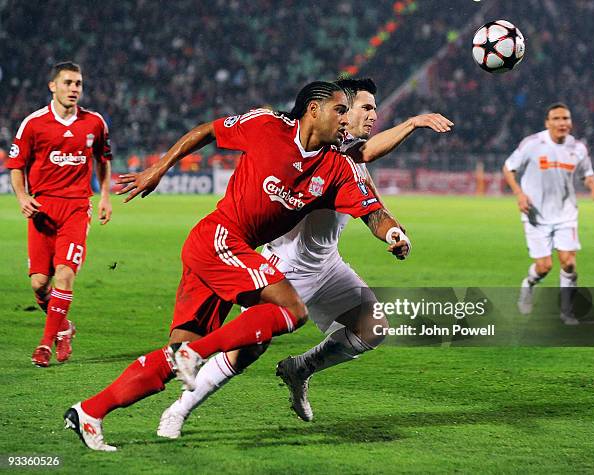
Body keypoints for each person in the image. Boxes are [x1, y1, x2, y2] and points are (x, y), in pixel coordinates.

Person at [64, 81, 411, 451]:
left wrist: (392, 234)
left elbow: (372, 211)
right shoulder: (267, 125)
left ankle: (90, 412)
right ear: (314, 109)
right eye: (341, 111)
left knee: (171, 357)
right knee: (291, 311)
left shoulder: (336, 166)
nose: (346, 120)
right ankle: (193, 357)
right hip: (220, 239)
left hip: (230, 250)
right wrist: (158, 168)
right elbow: (207, 131)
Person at [156, 77, 453, 437]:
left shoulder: (348, 157)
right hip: (286, 268)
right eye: (362, 108)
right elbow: (368, 152)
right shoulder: (334, 149)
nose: (371, 115)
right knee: (246, 352)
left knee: (373, 327)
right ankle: (178, 409)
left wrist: (392, 231)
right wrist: (412, 123)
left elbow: (371, 199)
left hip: (328, 266)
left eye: (371, 109)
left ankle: (301, 368)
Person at [7, 61, 112, 367]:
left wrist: (105, 196)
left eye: (78, 83)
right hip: (42, 209)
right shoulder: (33, 123)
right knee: (40, 284)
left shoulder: (94, 122)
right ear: (52, 86)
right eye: (67, 83)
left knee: (64, 274)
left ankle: (44, 344)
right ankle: (63, 327)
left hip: (77, 208)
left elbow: (103, 160)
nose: (74, 89)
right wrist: (23, 195)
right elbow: (16, 166)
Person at [502, 103, 594, 324]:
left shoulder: (578, 148)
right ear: (547, 122)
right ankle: (529, 284)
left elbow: (587, 173)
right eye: (556, 119)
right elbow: (508, 168)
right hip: (535, 216)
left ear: (571, 122)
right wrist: (519, 194)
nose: (562, 123)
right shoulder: (532, 144)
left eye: (565, 118)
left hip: (565, 214)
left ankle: (567, 311)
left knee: (568, 262)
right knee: (544, 266)